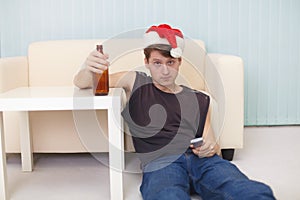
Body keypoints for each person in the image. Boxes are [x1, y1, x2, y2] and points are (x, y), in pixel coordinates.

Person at [73, 24, 275, 200]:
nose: (165, 70)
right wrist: (89, 69)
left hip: (204, 162)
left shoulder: (199, 98)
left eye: (170, 63)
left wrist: (210, 148)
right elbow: (82, 84)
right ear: (147, 62)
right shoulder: (135, 82)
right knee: (167, 195)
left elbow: (214, 146)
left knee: (247, 191)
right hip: (161, 163)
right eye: (157, 63)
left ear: (179, 63)